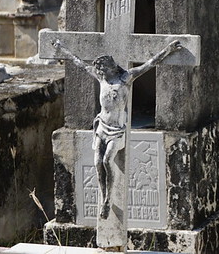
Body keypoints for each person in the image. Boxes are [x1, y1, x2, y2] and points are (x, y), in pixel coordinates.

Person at [53, 39, 183, 219]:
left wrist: (168, 49)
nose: (100, 72)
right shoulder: (101, 79)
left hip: (116, 130)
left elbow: (149, 64)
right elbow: (79, 63)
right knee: (97, 162)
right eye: (99, 70)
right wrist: (62, 49)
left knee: (107, 160)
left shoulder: (125, 78)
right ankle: (104, 197)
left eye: (103, 69)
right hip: (101, 126)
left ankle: (109, 199)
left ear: (111, 68)